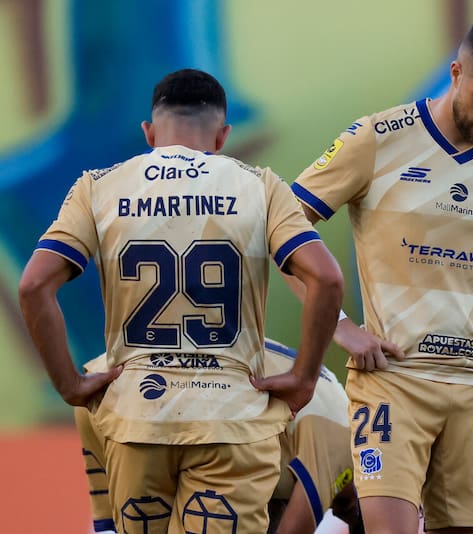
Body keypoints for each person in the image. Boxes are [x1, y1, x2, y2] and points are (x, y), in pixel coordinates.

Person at [17, 68, 344, 533]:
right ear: (223, 136)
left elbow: (33, 286)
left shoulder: (98, 186)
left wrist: (68, 383)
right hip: (231, 421)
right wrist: (305, 377)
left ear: (149, 133)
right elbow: (327, 278)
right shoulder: (261, 185)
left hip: (137, 421)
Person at [289, 12, 473, 534]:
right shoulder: (377, 139)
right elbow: (284, 228)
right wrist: (338, 325)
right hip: (393, 383)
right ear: (456, 73)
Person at [75, 338, 363, 534]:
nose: (338, 515)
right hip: (166, 401)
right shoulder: (344, 452)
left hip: (103, 384)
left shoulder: (338, 413)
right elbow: (292, 528)